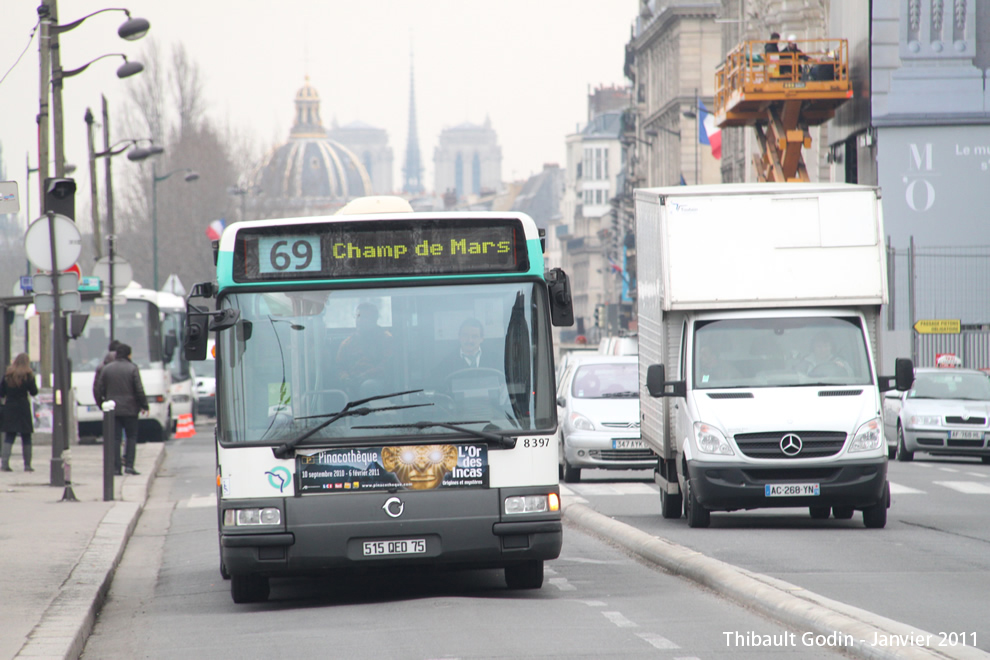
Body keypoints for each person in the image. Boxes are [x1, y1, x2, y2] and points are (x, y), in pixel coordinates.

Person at [94, 343, 149, 475]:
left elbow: (98, 388)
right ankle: (129, 465)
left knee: (115, 439)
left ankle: (115, 468)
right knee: (131, 437)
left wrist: (102, 404)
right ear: (129, 355)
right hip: (130, 409)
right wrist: (144, 405)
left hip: (112, 410)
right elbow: (139, 389)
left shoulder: (107, 369)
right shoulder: (132, 368)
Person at [336, 302, 395, 397]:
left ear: (374, 319)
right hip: (352, 382)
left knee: (368, 386)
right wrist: (346, 378)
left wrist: (365, 376)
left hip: (378, 381)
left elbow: (387, 365)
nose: (360, 321)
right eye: (358, 317)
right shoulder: (347, 343)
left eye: (364, 317)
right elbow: (340, 367)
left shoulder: (386, 339)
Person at [1, 353, 39, 472]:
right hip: (23, 408)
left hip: (10, 407)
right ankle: (27, 465)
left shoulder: (8, 375)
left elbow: (1, 392)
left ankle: (5, 464)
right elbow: (34, 392)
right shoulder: (28, 376)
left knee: (9, 436)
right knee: (26, 436)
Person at [92, 339, 121, 404]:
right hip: (126, 407)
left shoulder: (101, 367)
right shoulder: (127, 366)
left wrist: (101, 404)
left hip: (107, 403)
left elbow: (96, 389)